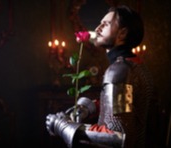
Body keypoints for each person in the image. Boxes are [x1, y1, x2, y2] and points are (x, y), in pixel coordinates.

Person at [45, 5, 154, 148]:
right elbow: (126, 107)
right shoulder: (136, 65)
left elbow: (116, 136)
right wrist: (91, 106)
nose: (97, 29)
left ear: (122, 33)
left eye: (106, 24)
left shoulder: (118, 71)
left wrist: (63, 126)